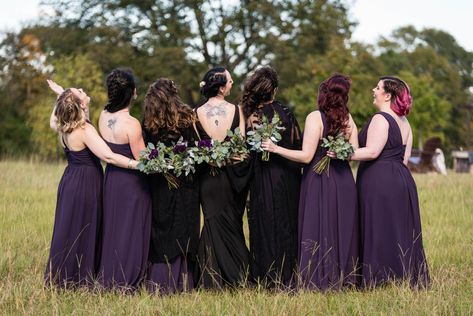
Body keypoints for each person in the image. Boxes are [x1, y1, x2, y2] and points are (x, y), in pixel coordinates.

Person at [262, 74, 360, 290]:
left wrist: (275, 148)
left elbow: (306, 156)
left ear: (324, 94)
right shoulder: (348, 119)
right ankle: (344, 277)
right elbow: (354, 152)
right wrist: (339, 152)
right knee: (340, 226)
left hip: (318, 179)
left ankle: (317, 276)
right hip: (343, 180)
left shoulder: (315, 117)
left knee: (319, 225)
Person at [45, 83, 139, 288]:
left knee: (69, 227)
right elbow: (108, 156)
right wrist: (138, 164)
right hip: (85, 183)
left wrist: (62, 94)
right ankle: (77, 278)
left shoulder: (62, 125)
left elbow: (60, 112)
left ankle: (64, 276)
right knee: (83, 226)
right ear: (78, 104)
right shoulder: (84, 129)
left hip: (70, 179)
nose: (84, 90)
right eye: (81, 92)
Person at [347, 76, 429, 288]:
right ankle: (401, 275)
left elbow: (373, 151)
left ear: (387, 95)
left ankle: (378, 278)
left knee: (378, 226)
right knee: (397, 228)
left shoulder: (381, 118)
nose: (373, 90)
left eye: (377, 87)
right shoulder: (405, 122)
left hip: (379, 179)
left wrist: (340, 153)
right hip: (402, 178)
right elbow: (405, 157)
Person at [241, 66, 302, 288]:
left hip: (262, 176)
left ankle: (266, 274)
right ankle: (288, 272)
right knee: (286, 221)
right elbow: (298, 145)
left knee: (264, 222)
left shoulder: (251, 117)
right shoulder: (286, 113)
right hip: (286, 175)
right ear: (274, 90)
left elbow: (247, 149)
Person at [142, 78, 200, 293]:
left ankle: (160, 282)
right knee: (184, 226)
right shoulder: (187, 117)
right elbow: (194, 149)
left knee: (162, 226)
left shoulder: (148, 121)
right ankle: (183, 281)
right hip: (185, 180)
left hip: (159, 180)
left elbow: (143, 152)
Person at [194, 67, 251, 288]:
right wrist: (228, 158)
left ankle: (210, 277)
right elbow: (243, 148)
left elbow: (196, 149)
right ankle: (238, 274)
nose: (232, 81)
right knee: (232, 224)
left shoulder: (195, 112)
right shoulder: (237, 110)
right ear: (220, 87)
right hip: (230, 179)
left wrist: (211, 158)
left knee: (211, 223)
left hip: (208, 179)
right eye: (229, 80)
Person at [98, 68, 151, 290]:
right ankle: (128, 275)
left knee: (114, 226)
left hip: (111, 178)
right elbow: (143, 160)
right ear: (133, 93)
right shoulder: (132, 124)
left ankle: (109, 273)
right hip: (132, 182)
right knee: (132, 228)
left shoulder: (103, 116)